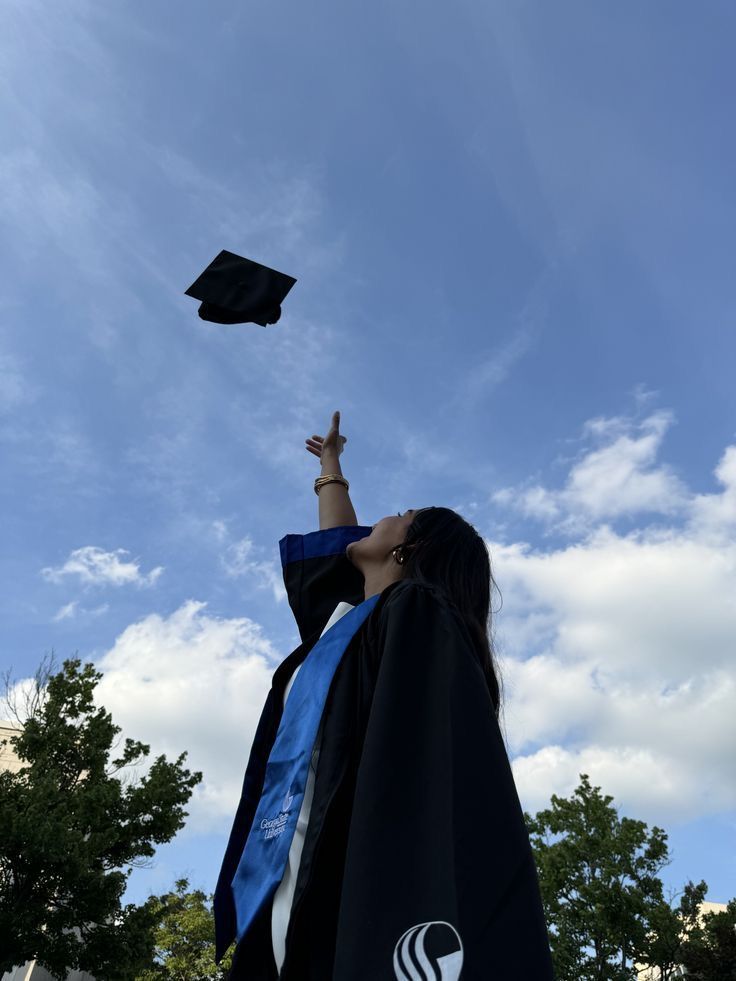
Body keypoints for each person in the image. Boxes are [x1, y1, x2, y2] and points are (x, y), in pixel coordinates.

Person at [215, 411, 555, 980]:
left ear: (412, 549)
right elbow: (341, 547)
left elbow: (418, 774)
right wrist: (330, 468)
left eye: (400, 516)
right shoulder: (341, 629)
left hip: (352, 863)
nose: (380, 518)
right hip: (284, 869)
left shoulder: (417, 621)